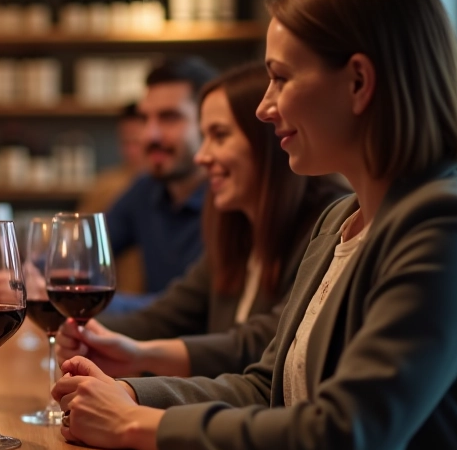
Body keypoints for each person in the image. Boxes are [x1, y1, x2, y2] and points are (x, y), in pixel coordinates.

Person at [52, 0, 457, 450]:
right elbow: (269, 387)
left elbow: (338, 445)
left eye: (281, 77)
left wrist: (140, 424)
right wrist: (134, 395)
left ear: (359, 82)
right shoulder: (340, 219)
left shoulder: (448, 226)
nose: (265, 107)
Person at [57, 64, 349, 379]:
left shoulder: (328, 222)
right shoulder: (233, 225)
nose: (202, 156)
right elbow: (166, 314)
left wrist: (137, 365)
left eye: (219, 135)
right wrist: (84, 332)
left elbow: (262, 346)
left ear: (270, 136)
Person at [104, 57, 218, 313]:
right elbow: (87, 251)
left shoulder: (230, 197)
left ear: (209, 124)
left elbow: (195, 311)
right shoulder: (146, 189)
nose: (149, 135)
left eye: (169, 118)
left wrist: (85, 305)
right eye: (145, 119)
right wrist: (31, 277)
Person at [79, 102, 147, 295]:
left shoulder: (149, 187)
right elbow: (84, 249)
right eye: (126, 143)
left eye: (138, 142)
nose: (132, 151)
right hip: (117, 298)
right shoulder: (105, 187)